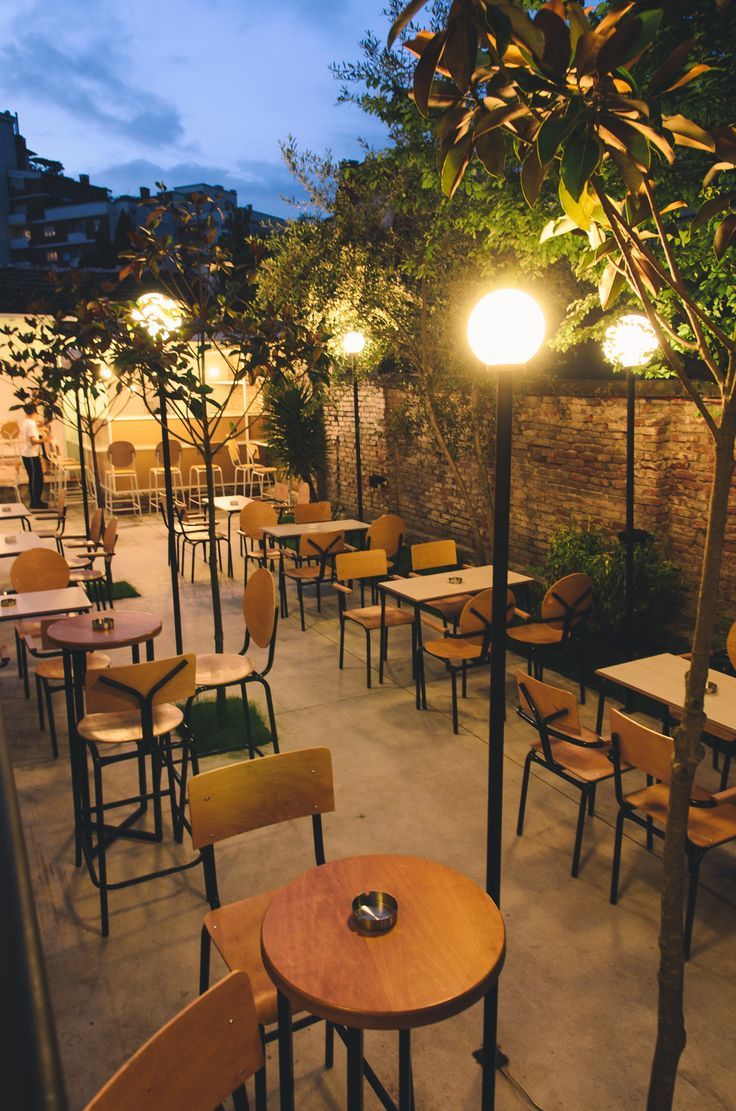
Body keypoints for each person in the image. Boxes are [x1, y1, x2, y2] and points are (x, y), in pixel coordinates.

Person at [19, 402, 47, 509]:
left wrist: (47, 421)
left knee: (36, 478)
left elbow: (38, 425)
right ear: (35, 411)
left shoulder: (28, 422)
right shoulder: (30, 424)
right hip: (30, 455)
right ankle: (35, 502)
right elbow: (33, 441)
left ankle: (37, 500)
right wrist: (46, 439)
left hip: (30, 454)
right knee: (36, 478)